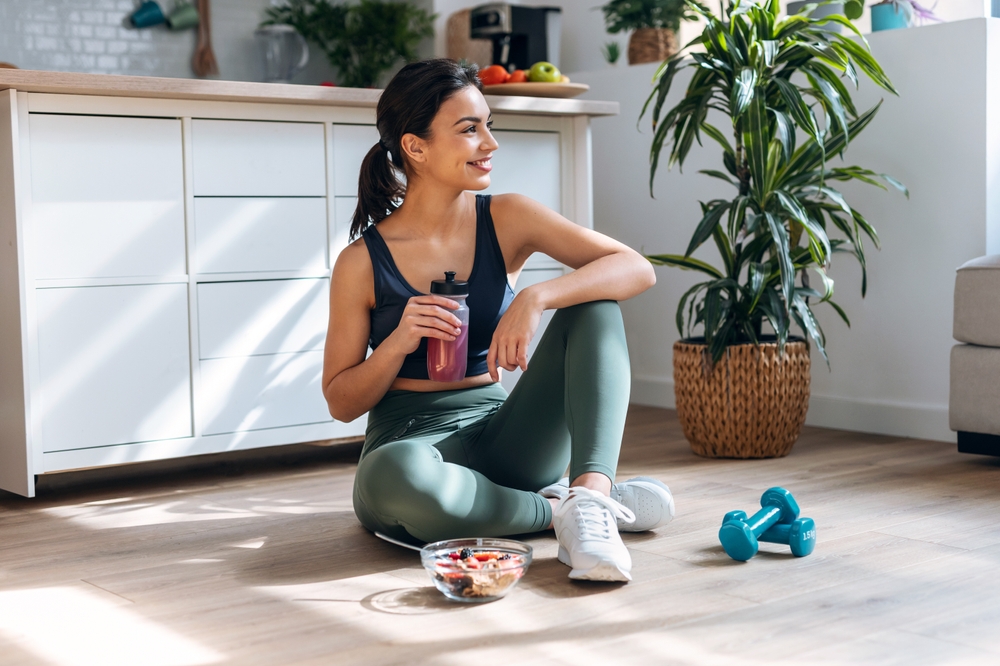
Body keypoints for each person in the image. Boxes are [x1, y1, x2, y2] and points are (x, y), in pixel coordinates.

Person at [322, 58, 673, 582]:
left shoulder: (507, 217)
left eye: (489, 124)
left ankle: (592, 498)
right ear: (416, 147)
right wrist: (397, 344)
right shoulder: (361, 262)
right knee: (396, 476)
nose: (490, 142)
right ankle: (560, 511)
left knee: (594, 302)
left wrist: (537, 296)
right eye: (469, 129)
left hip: (506, 437)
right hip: (412, 447)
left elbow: (635, 268)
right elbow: (340, 402)